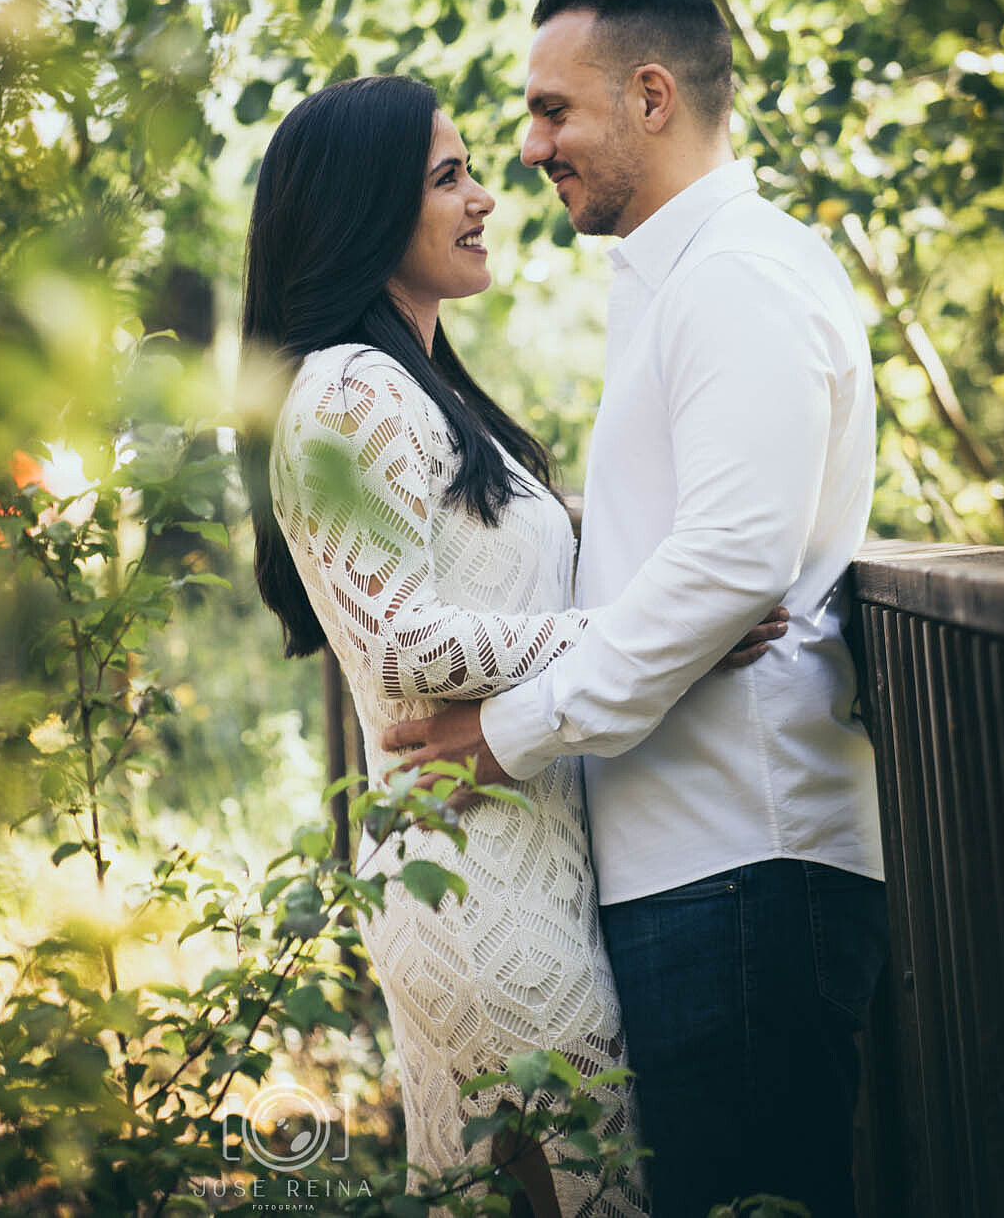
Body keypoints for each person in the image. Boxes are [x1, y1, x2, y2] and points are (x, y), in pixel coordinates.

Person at [382, 0, 888, 1218]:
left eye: (554, 109)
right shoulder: (676, 287)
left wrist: (502, 739)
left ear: (650, 96)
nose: (531, 144)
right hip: (696, 871)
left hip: (745, 869)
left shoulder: (735, 281)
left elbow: (728, 564)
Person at [241, 74, 783, 1218]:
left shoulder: (421, 387)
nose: (486, 196)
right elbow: (398, 644)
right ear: (361, 211)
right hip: (474, 889)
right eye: (447, 178)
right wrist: (647, 635)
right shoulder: (350, 388)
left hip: (511, 864)